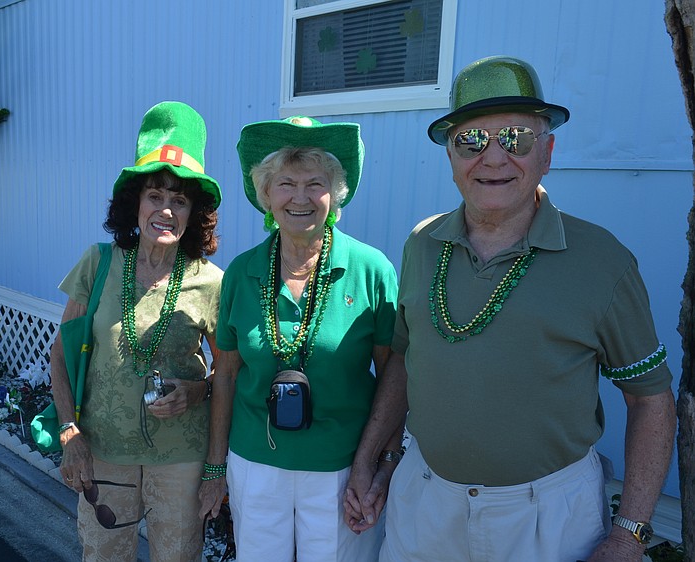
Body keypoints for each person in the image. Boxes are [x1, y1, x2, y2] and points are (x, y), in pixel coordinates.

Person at [345, 56, 677, 562]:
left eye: (517, 138)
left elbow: (650, 400)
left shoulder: (601, 260)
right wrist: (374, 458)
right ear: (451, 158)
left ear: (547, 152)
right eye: (471, 141)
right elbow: (407, 364)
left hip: (547, 518)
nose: (494, 159)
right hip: (424, 499)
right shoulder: (422, 244)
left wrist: (628, 533)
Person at [199, 115, 398, 562]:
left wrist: (383, 464)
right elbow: (226, 375)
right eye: (286, 183)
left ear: (336, 193)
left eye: (316, 183)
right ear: (266, 194)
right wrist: (216, 468)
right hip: (256, 464)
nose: (301, 197)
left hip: (343, 469)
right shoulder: (241, 272)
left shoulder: (372, 270)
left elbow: (394, 375)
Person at [51, 101, 223, 562]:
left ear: (194, 213)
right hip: (103, 452)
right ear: (135, 203)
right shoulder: (98, 263)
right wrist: (70, 434)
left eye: (180, 200)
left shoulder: (211, 280)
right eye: (155, 196)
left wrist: (198, 391)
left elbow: (229, 374)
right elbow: (59, 357)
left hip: (182, 457)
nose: (166, 210)